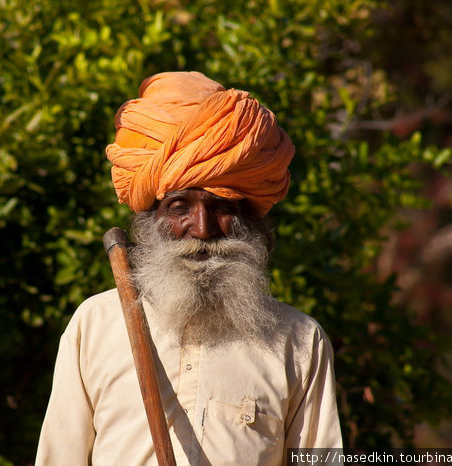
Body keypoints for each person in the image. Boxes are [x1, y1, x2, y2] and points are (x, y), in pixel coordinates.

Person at [36, 71, 342, 465]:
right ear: (151, 219)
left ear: (248, 219)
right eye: (180, 207)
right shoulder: (94, 325)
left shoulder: (298, 343)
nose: (202, 230)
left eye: (222, 208)